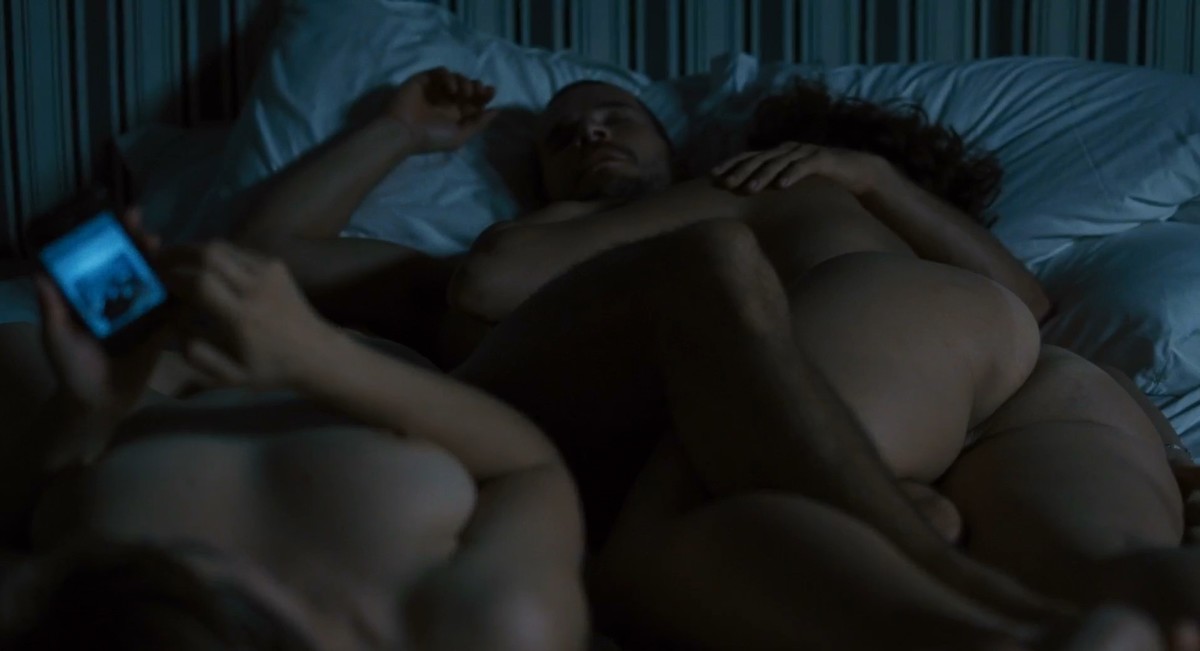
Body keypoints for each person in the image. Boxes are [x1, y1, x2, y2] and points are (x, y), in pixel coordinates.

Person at [223, 66, 1200, 650]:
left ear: (674, 146)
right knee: (1118, 578)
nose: (589, 130)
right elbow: (264, 253)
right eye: (561, 136)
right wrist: (397, 130)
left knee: (664, 547)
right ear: (539, 179)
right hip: (1010, 372)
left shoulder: (755, 192)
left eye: (616, 116)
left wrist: (873, 176)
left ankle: (983, 608)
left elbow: (1028, 300)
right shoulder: (500, 256)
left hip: (905, 330)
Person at [0, 211, 587, 650]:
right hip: (364, 354)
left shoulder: (95, 616)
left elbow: (15, 523)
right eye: (196, 575)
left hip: (127, 399)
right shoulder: (494, 631)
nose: (199, 557)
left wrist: (86, 411)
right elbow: (531, 468)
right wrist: (316, 355)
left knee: (16, 341)